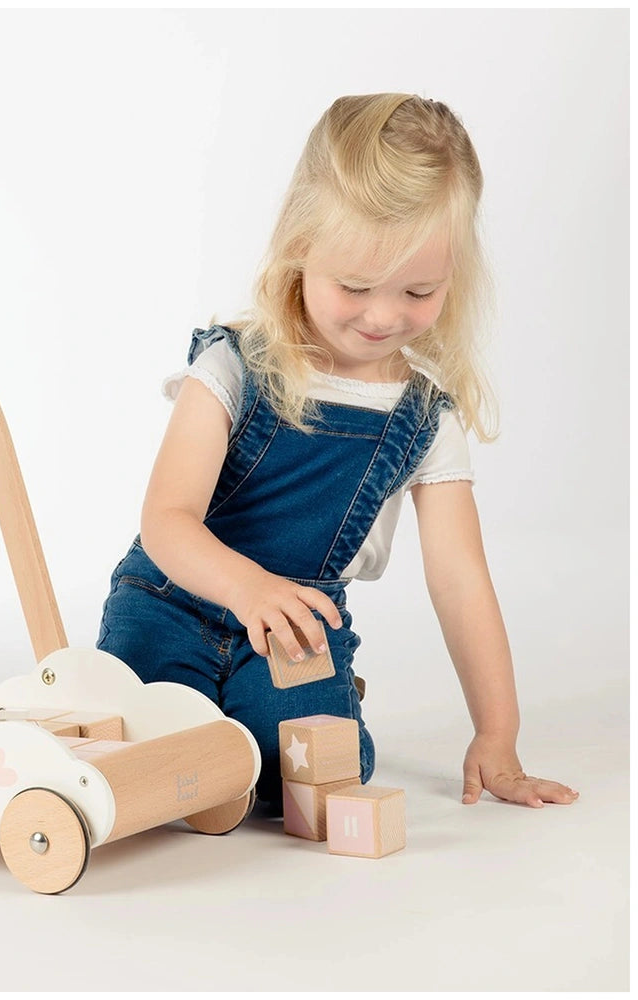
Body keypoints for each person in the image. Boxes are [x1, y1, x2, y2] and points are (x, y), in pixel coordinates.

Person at [96, 93, 578, 815]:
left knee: (324, 773)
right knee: (149, 746)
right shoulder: (234, 366)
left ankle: (256, 740)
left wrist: (497, 734)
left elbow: (461, 581)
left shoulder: (424, 419)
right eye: (354, 285)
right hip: (170, 605)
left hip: (293, 633)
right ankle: (203, 750)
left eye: (419, 290)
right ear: (299, 249)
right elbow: (167, 520)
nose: (384, 316)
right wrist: (247, 588)